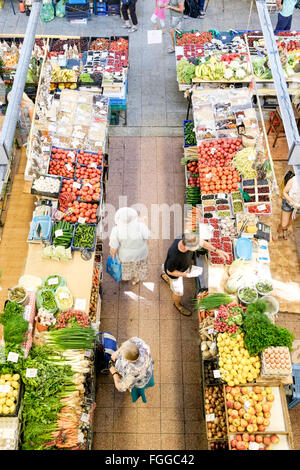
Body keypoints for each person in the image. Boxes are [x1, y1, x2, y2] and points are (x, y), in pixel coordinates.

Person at [161, 232, 230, 316]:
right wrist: (187, 275)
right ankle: (178, 305)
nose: (198, 247)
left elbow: (202, 243)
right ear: (187, 247)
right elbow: (170, 271)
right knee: (178, 292)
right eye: (196, 247)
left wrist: (216, 250)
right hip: (174, 273)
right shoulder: (175, 256)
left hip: (181, 266)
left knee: (169, 268)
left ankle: (166, 277)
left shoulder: (187, 238)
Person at [109, 207, 151, 286]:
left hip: (126, 257)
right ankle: (136, 279)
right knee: (139, 267)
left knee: (127, 268)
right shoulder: (141, 226)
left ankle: (127, 277)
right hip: (141, 254)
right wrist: (144, 222)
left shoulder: (116, 230)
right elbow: (147, 236)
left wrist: (112, 255)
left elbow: (113, 249)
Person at [109, 337, 154, 403]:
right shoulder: (139, 343)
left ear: (129, 360)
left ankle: (131, 389)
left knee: (130, 385)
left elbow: (120, 387)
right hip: (148, 369)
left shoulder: (132, 373)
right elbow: (133, 339)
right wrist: (117, 352)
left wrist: (114, 373)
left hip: (139, 380)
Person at [275, 175, 300, 240]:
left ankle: (285, 230)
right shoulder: (293, 180)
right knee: (283, 223)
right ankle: (278, 231)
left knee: (291, 221)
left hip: (298, 207)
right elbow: (284, 192)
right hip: (288, 203)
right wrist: (291, 201)